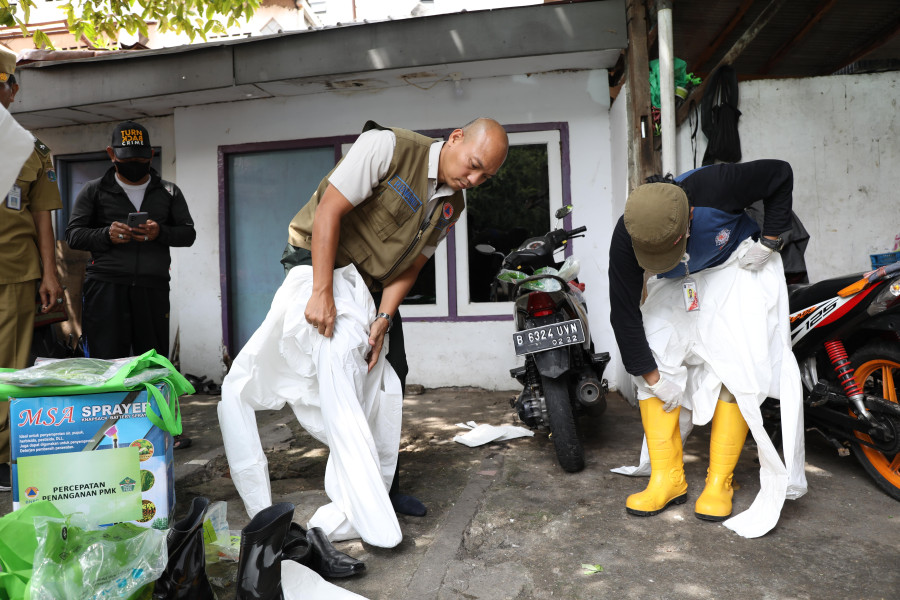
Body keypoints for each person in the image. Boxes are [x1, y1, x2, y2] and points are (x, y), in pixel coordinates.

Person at [282, 118, 508, 515]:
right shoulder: (386, 147)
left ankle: (384, 490)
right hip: (322, 263)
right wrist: (321, 292)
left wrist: (384, 318)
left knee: (391, 372)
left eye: (485, 176)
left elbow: (412, 265)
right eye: (472, 164)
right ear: (455, 138)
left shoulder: (453, 204)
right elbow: (328, 211)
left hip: (372, 283)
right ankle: (352, 494)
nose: (474, 178)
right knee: (344, 368)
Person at [608, 160, 807, 539]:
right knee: (654, 351)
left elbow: (781, 174)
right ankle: (668, 479)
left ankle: (720, 481)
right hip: (681, 280)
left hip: (736, 265)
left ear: (689, 221)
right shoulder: (628, 233)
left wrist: (770, 240)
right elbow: (624, 313)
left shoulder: (717, 185)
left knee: (738, 362)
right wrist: (653, 379)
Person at [65, 120, 196, 449]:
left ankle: (163, 433)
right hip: (105, 287)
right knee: (108, 363)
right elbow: (74, 234)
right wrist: (106, 234)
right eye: (127, 158)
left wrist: (159, 233)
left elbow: (188, 233)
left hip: (152, 288)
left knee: (153, 363)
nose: (135, 164)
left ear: (150, 155)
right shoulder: (94, 191)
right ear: (111, 154)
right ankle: (108, 436)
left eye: (141, 158)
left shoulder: (168, 192)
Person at [0, 46, 64, 492]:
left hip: (14, 271)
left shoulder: (28, 148)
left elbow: (42, 215)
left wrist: (51, 273)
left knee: (9, 368)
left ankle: (4, 457)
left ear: (11, 90)